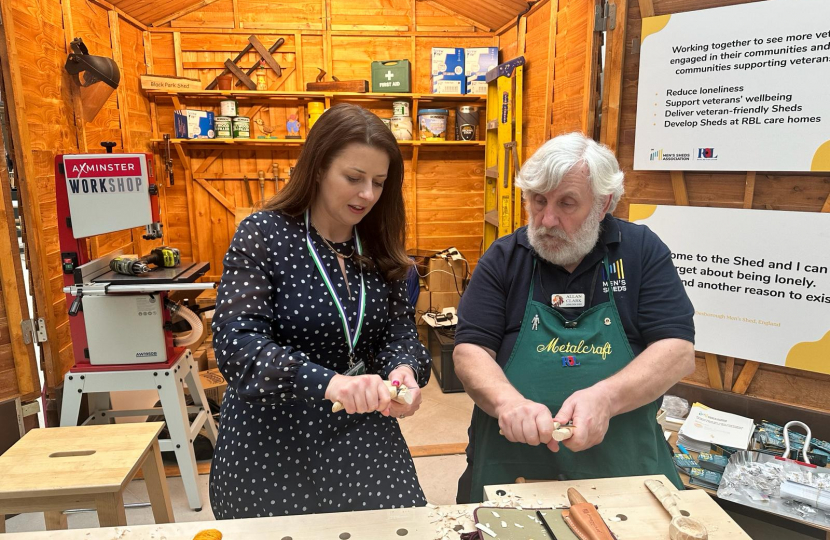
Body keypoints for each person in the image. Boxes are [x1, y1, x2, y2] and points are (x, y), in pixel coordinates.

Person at [210, 103, 432, 518]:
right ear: (316, 169)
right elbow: (237, 345)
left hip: (361, 431)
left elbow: (399, 333)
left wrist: (403, 371)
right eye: (353, 178)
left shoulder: (380, 245)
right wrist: (329, 383)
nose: (367, 194)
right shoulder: (264, 235)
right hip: (271, 439)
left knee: (402, 525)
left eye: (379, 182)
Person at [454, 132, 695, 503]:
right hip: (512, 466)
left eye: (567, 203)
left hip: (622, 464)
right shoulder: (503, 258)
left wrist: (606, 398)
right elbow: (469, 351)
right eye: (538, 201)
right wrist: (508, 402)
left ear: (604, 204)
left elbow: (677, 349)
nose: (547, 219)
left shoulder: (641, 251)